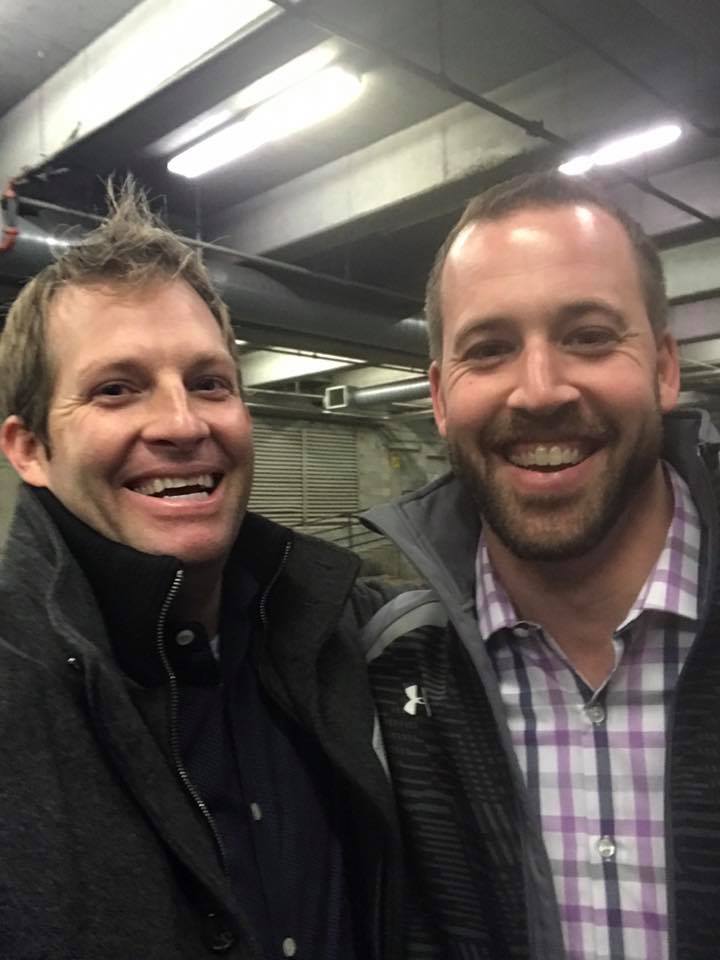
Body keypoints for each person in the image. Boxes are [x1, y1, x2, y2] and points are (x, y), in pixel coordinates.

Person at [0, 182, 403, 960]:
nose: (182, 423)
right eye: (116, 390)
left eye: (209, 382)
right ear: (30, 450)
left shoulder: (344, 642)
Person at [359, 171, 720, 960]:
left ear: (664, 368)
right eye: (490, 349)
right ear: (440, 397)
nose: (540, 390)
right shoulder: (393, 681)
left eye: (588, 335)